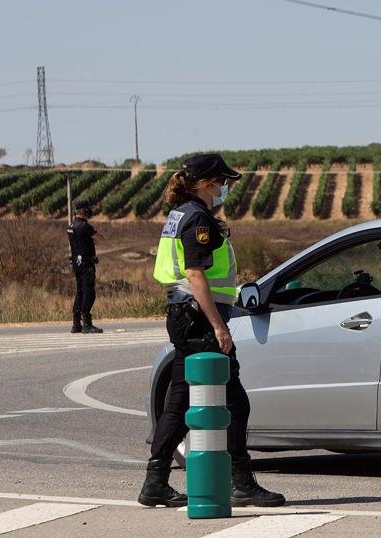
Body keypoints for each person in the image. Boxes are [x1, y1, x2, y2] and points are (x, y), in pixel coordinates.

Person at [138, 153, 285, 509]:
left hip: (186, 315)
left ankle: (155, 481)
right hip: (199, 318)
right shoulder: (197, 218)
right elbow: (195, 274)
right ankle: (241, 482)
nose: (225, 188)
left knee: (180, 401)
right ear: (205, 183)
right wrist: (219, 326)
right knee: (234, 402)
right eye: (221, 182)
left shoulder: (181, 214)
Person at [67, 198, 102, 334]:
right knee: (89, 293)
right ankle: (87, 323)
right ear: (82, 210)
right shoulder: (85, 226)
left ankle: (76, 323)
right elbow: (99, 238)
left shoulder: (71, 226)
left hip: (76, 262)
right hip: (87, 263)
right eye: (87, 208)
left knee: (79, 292)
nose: (89, 210)